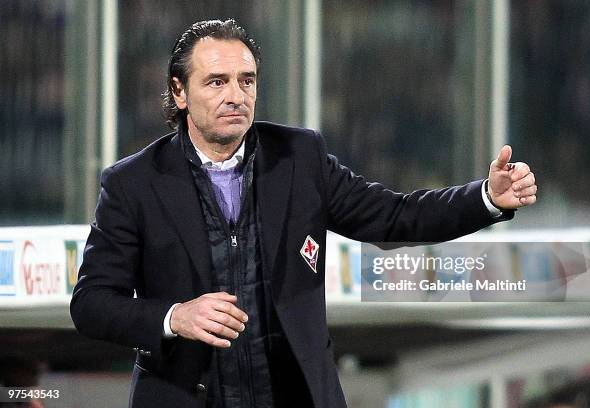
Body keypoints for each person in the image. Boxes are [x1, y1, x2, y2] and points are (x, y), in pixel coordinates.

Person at [70, 19, 537, 408]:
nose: (236, 95)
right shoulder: (133, 183)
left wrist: (487, 198)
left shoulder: (299, 157)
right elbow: (91, 303)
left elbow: (396, 217)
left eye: (246, 80)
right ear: (179, 93)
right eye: (217, 81)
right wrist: (174, 317)